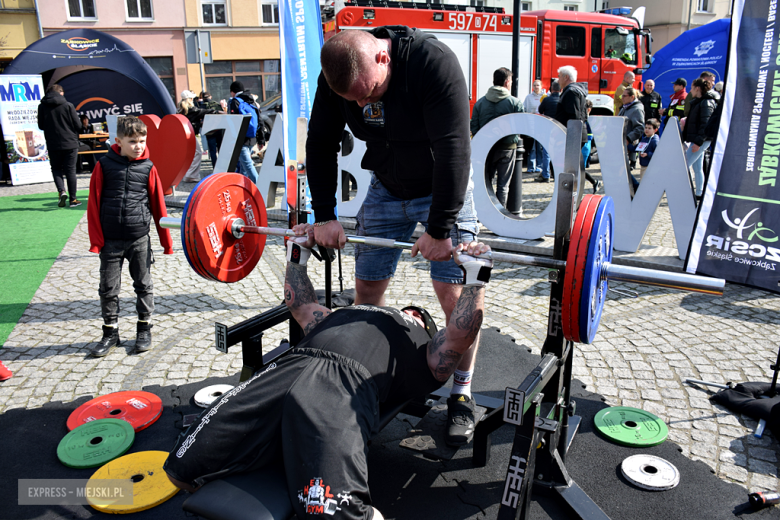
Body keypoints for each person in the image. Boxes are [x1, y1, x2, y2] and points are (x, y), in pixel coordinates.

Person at [164, 226, 492, 520]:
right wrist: (297, 254)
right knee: (180, 469)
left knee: (340, 516)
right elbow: (301, 306)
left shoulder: (422, 347)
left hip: (344, 385)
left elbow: (459, 335)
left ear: (424, 326)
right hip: (289, 367)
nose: (410, 311)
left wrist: (475, 279)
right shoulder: (344, 313)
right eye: (411, 310)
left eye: (418, 314)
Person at [305, 27, 480, 446]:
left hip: (442, 189)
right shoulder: (339, 78)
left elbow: (455, 147)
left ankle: (461, 392)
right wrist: (325, 215)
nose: (362, 104)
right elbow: (320, 141)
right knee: (366, 292)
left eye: (368, 93)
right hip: (385, 187)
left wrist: (439, 229)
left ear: (383, 58)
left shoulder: (431, 64)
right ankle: (368, 376)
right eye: (354, 101)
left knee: (455, 298)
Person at [86, 116, 173, 357]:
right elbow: (93, 204)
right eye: (132, 141)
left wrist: (166, 242)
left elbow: (159, 207)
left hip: (139, 239)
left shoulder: (149, 167)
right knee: (108, 288)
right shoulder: (103, 166)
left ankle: (144, 328)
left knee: (144, 285)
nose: (138, 146)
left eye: (142, 141)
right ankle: (110, 332)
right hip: (110, 241)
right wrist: (96, 242)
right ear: (118, 141)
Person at [471, 67, 524, 209]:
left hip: (485, 149)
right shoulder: (515, 103)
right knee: (503, 185)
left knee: (485, 182)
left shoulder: (480, 103)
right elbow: (521, 127)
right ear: (507, 82)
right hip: (507, 148)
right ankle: (500, 215)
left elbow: (474, 127)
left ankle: (482, 211)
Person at [554, 66, 599, 193]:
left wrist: (569, 135)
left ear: (566, 77)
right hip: (575, 133)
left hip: (573, 134)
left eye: (559, 76)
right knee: (574, 167)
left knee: (571, 168)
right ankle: (573, 191)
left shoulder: (571, 91)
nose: (558, 80)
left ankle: (572, 193)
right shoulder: (573, 90)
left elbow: (574, 116)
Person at [37, 84, 83, 208]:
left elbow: (41, 126)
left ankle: (61, 191)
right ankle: (73, 199)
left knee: (56, 169)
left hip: (53, 143)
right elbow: (78, 126)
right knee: (70, 171)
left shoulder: (42, 106)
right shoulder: (68, 106)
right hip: (70, 142)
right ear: (61, 93)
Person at [682, 78, 717, 201]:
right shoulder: (700, 101)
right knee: (697, 168)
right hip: (699, 140)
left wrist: (698, 142)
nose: (690, 90)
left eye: (691, 87)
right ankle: (699, 193)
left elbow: (705, 124)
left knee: (683, 165)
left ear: (697, 88)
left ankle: (683, 192)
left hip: (701, 140)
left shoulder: (706, 102)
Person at [179, 90, 217, 183]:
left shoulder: (180, 109)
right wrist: (217, 111)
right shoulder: (192, 109)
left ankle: (188, 174)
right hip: (190, 134)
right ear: (191, 99)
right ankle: (191, 175)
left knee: (190, 154)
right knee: (198, 152)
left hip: (183, 134)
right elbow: (203, 111)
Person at [227, 81, 259, 184]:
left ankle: (260, 186)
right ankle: (243, 188)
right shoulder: (250, 100)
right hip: (251, 138)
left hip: (241, 138)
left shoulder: (234, 101)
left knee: (247, 165)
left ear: (232, 92)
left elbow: (233, 121)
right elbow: (259, 118)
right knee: (243, 166)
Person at [619, 86, 645, 190]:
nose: (622, 98)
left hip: (626, 143)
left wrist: (628, 139)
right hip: (619, 141)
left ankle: (636, 189)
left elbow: (640, 128)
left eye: (624, 96)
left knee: (623, 169)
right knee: (621, 169)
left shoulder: (637, 109)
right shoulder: (625, 107)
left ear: (632, 97)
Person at [535, 81, 561, 183]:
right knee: (558, 153)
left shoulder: (546, 100)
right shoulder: (562, 100)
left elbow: (540, 110)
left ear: (551, 89)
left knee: (546, 152)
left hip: (548, 128)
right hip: (559, 129)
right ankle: (557, 174)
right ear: (560, 90)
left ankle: (546, 175)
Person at [523, 80, 545, 173]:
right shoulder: (528, 97)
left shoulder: (544, 97)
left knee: (540, 146)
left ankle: (539, 166)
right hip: (531, 124)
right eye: (535, 85)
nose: (536, 87)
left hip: (541, 124)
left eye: (538, 85)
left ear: (541, 86)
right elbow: (525, 109)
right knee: (531, 147)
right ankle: (531, 166)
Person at [198, 91, 224, 167]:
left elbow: (199, 120)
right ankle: (222, 166)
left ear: (203, 98)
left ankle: (215, 167)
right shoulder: (217, 105)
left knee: (212, 151)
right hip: (219, 130)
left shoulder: (201, 107)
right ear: (211, 97)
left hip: (209, 131)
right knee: (220, 149)